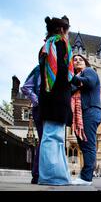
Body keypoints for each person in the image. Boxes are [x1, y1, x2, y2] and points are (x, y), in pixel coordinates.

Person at [38, 16, 73, 186]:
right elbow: (62, 73)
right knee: (52, 137)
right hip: (56, 98)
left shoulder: (46, 46)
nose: (68, 35)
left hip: (50, 98)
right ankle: (51, 177)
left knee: (55, 138)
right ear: (61, 30)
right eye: (68, 31)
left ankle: (59, 176)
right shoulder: (58, 44)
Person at [70, 54, 101, 186]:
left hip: (90, 111)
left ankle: (86, 177)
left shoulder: (89, 71)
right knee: (84, 145)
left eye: (80, 59)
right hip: (81, 115)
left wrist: (72, 79)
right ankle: (85, 176)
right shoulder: (77, 78)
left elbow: (89, 82)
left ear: (85, 62)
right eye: (74, 60)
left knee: (88, 146)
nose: (77, 61)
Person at [21, 65, 42, 184]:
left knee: (45, 140)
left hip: (52, 110)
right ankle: (37, 174)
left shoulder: (58, 69)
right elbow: (25, 88)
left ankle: (38, 174)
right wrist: (37, 100)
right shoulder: (39, 69)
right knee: (44, 140)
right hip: (40, 109)